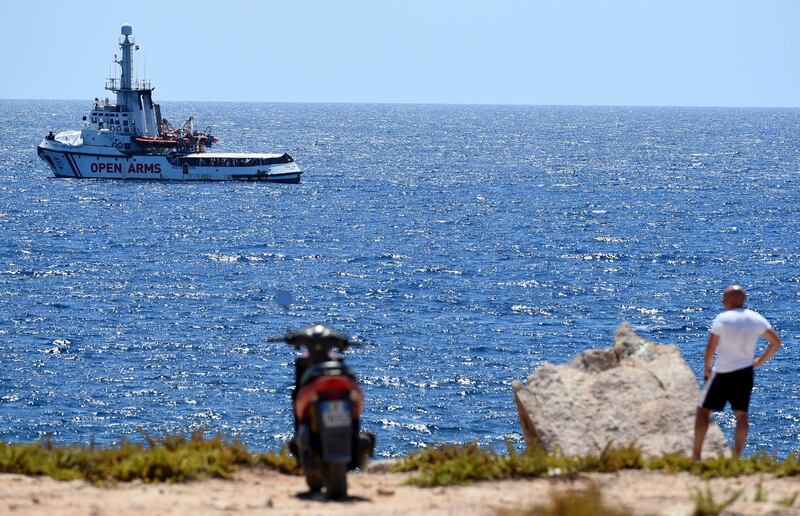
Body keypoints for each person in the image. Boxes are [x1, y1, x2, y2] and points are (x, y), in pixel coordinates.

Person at [692, 285, 781, 460]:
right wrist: (759, 361)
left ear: (733, 299)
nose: (722, 301)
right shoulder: (756, 318)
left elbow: (710, 347)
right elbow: (775, 342)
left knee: (703, 411)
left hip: (722, 372)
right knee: (741, 415)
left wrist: (708, 369)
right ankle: (736, 457)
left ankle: (696, 455)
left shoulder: (723, 319)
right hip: (745, 373)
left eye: (725, 297)